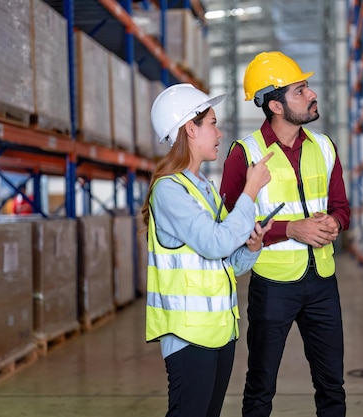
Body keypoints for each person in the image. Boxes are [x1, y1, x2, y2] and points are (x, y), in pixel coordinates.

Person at [220, 51, 351, 417]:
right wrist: (290, 229)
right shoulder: (244, 154)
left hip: (323, 281)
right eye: (300, 90)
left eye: (307, 87)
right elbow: (229, 225)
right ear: (275, 105)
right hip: (273, 284)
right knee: (261, 386)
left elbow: (342, 207)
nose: (312, 95)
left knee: (332, 385)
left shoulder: (324, 146)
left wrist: (335, 223)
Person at [140, 83, 274, 417]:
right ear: (190, 128)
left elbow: (227, 262)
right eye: (212, 122)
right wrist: (250, 191)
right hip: (188, 336)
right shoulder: (169, 191)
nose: (219, 131)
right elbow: (214, 243)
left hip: (219, 332)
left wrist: (252, 248)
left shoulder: (206, 191)